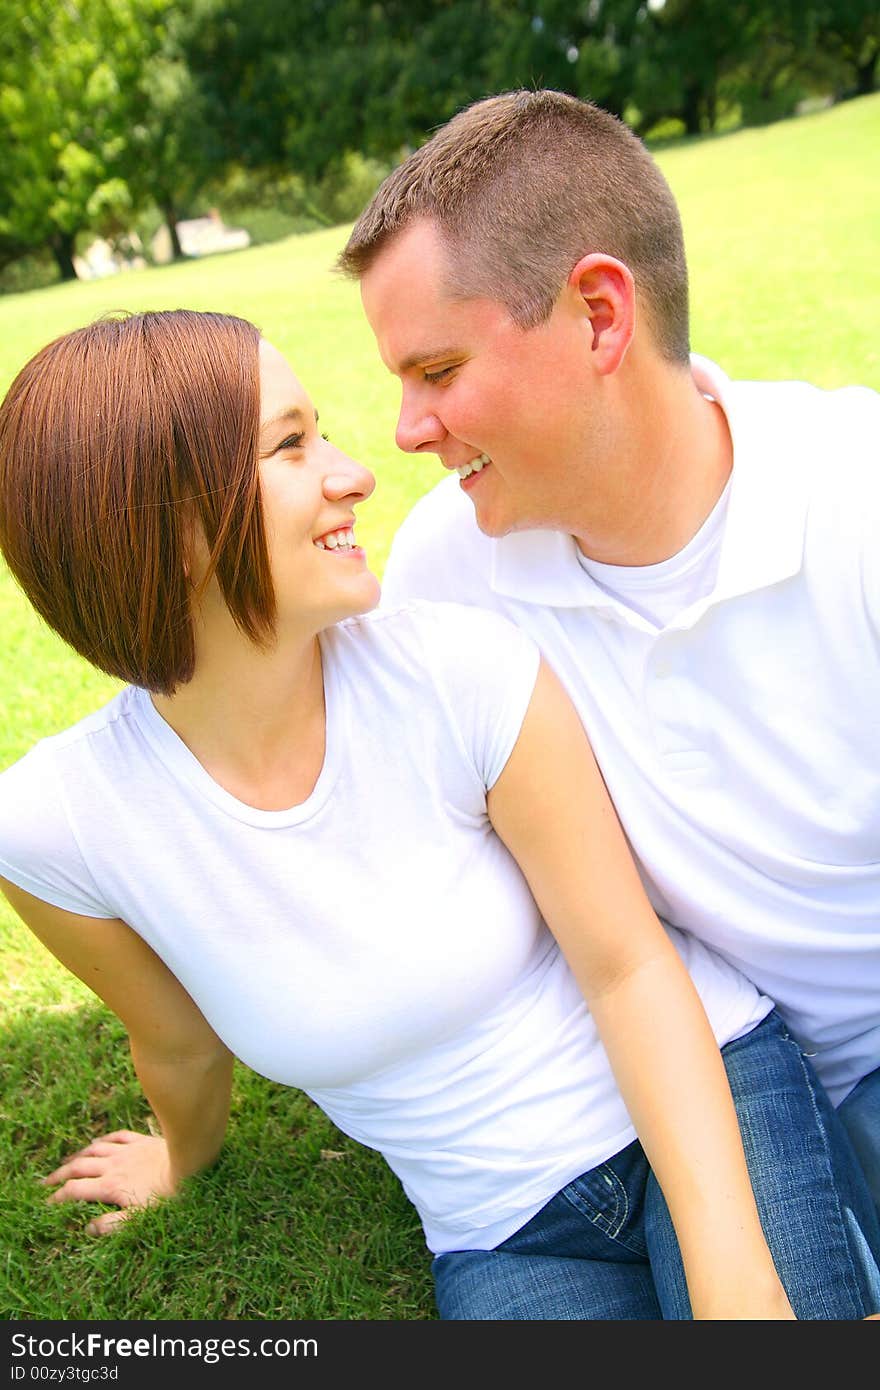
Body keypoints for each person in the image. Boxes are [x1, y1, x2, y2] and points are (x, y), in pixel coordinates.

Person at [0, 312, 877, 1325]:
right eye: (292, 446)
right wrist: (178, 1158)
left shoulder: (460, 671)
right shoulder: (55, 824)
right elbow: (180, 1044)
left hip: (711, 1098)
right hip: (495, 1226)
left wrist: (733, 1279)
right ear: (171, 532)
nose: (355, 472)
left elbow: (628, 964)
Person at [340, 87, 880, 1219]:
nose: (403, 429)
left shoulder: (854, 492)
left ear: (596, 314)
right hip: (716, 1076)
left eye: (436, 372)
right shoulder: (451, 561)